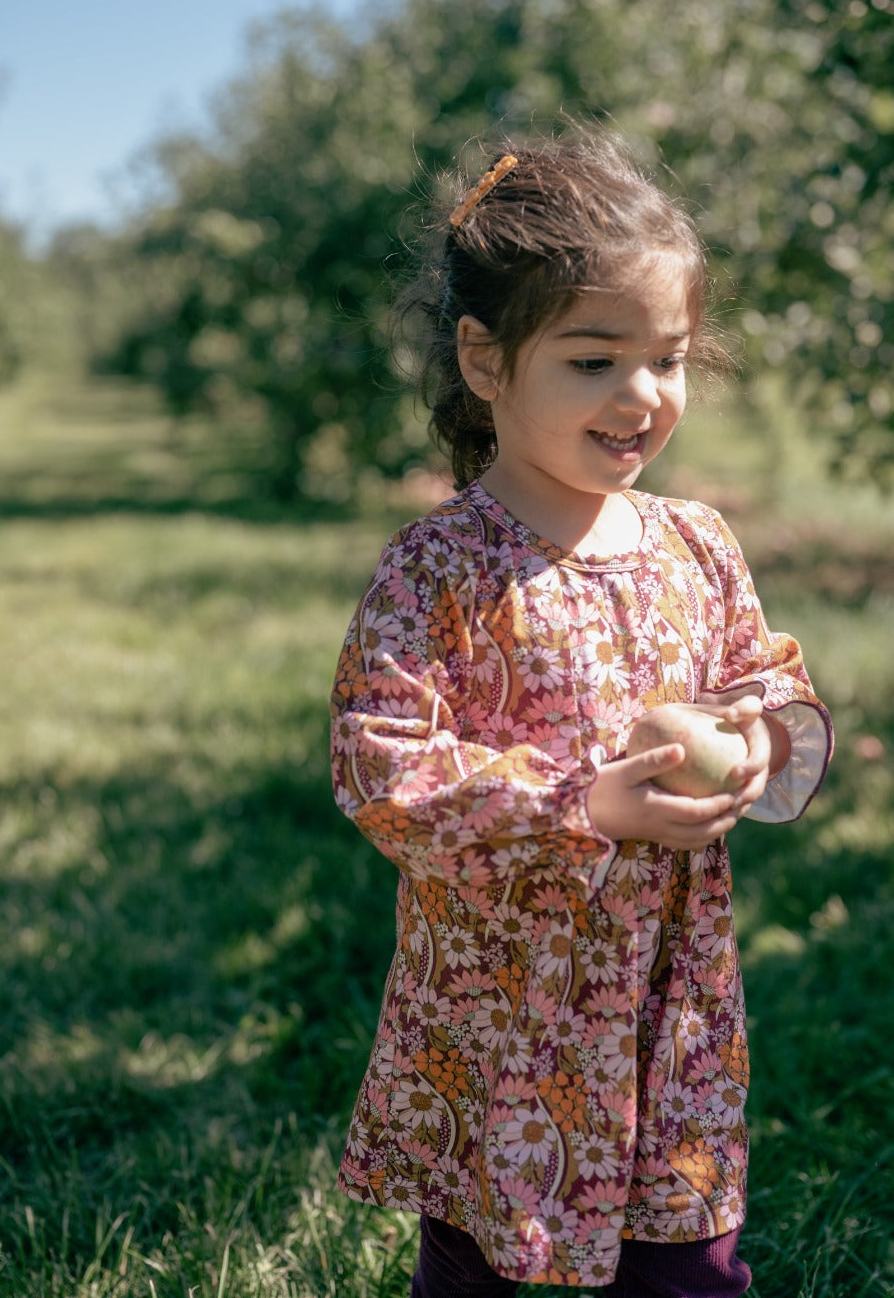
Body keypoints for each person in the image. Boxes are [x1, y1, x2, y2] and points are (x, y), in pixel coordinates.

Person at [330, 126, 832, 1296]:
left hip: (671, 1008)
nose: (643, 396)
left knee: (687, 1265)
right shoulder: (440, 566)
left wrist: (758, 740)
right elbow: (380, 769)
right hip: (506, 1019)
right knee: (494, 1266)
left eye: (668, 358)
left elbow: (769, 677)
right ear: (486, 359)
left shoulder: (694, 543)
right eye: (595, 359)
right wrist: (583, 804)